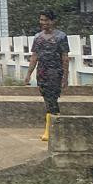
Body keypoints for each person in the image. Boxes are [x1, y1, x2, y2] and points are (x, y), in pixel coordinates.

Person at [24, 10, 70, 142]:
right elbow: (34, 57)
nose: (43, 23)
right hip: (42, 72)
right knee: (47, 99)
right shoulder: (38, 37)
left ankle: (50, 130)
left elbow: (65, 58)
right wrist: (28, 74)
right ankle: (53, 128)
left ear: (53, 21)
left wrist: (65, 77)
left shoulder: (61, 37)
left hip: (55, 72)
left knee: (52, 99)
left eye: (46, 20)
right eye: (41, 20)